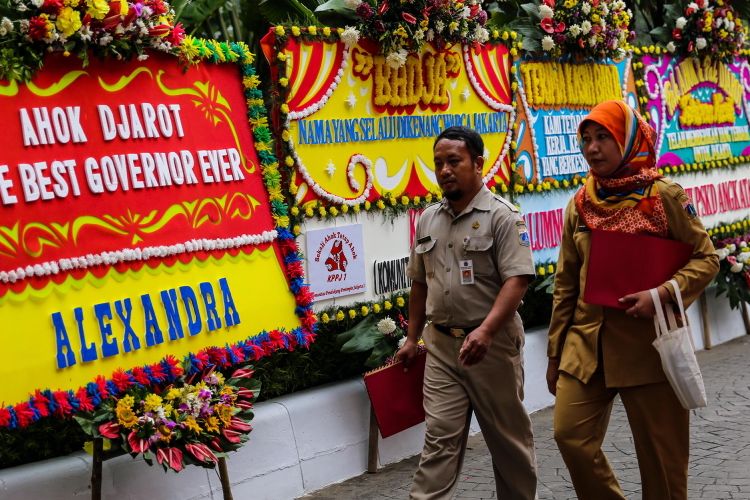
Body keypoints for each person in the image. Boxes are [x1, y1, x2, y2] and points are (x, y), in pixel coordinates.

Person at [546, 100, 719, 499]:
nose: (592, 148)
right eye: (586, 139)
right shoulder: (581, 203)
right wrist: (555, 353)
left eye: (603, 137)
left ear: (627, 139)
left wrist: (661, 294)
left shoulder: (664, 197)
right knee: (569, 435)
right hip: (586, 347)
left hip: (650, 346)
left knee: (663, 466)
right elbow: (566, 283)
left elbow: (706, 258)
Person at [397, 126, 537, 500]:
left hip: (492, 348)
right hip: (442, 347)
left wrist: (488, 331)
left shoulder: (503, 216)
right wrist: (412, 338)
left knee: (508, 443)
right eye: (439, 162)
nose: (444, 170)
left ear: (478, 163)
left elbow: (518, 280)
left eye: (454, 161)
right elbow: (419, 283)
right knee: (439, 437)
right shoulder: (427, 219)